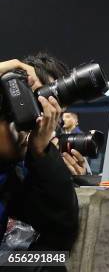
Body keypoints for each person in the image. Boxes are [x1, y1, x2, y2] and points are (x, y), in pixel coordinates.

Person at [0, 56, 79, 259]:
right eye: (23, 107)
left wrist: (46, 161)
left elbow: (58, 243)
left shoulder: (14, 175)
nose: (33, 126)